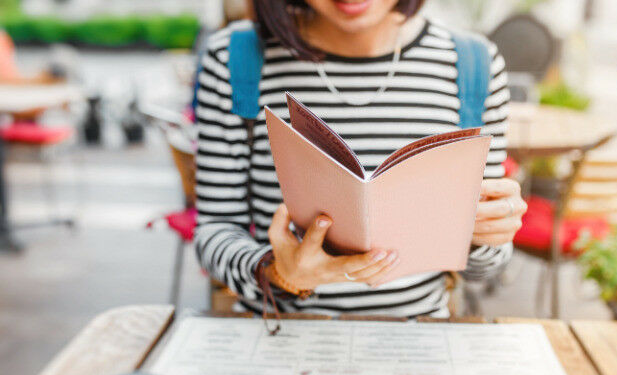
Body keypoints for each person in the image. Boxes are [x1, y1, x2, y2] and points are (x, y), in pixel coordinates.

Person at [195, 0, 527, 317]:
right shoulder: (234, 58)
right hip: (278, 332)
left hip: (415, 337)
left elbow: (485, 268)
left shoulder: (474, 65)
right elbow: (215, 229)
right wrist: (279, 274)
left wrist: (486, 233)